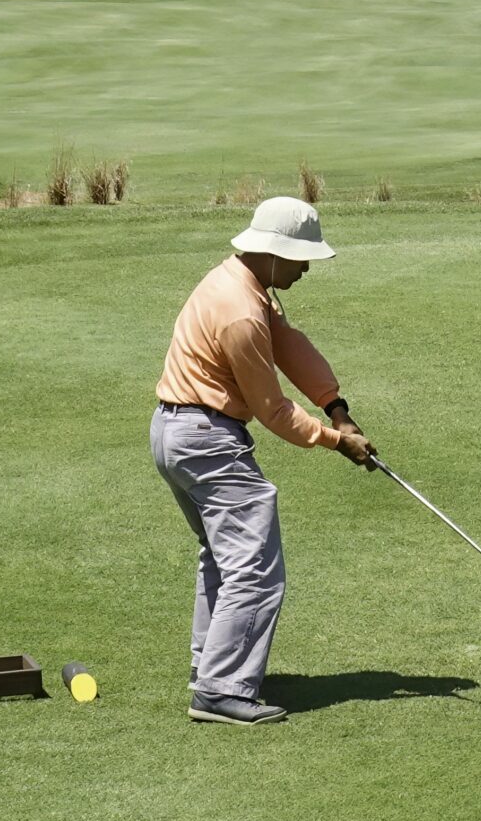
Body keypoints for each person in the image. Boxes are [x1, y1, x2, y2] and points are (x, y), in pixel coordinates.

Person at [151, 195, 375, 725]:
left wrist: (337, 408)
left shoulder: (243, 282)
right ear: (274, 254)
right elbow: (272, 409)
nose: (305, 269)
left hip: (178, 432)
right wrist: (333, 440)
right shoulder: (241, 312)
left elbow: (290, 345)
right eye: (301, 259)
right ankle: (221, 690)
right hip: (206, 439)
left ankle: (211, 669)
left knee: (224, 557)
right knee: (255, 566)